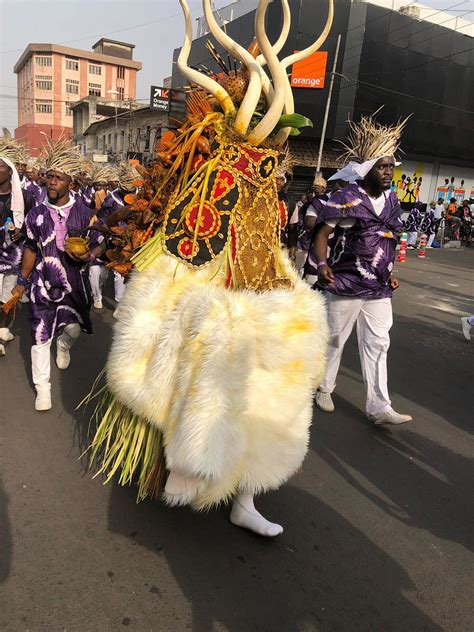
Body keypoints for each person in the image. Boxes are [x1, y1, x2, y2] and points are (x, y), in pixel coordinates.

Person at [86, 0, 332, 537]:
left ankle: (245, 495)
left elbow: (267, 234)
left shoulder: (265, 194)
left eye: (269, 171)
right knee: (201, 355)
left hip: (262, 281)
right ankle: (180, 465)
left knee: (277, 378)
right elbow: (182, 246)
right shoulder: (209, 190)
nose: (261, 177)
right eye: (252, 167)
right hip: (201, 278)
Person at [312, 114, 412, 426]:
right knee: (335, 339)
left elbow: (391, 238)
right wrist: (323, 264)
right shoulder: (348, 197)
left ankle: (379, 406)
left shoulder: (393, 200)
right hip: (346, 281)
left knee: (379, 342)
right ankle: (324, 387)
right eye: (382, 167)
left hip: (379, 287)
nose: (388, 173)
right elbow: (321, 233)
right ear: (367, 169)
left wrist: (392, 271)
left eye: (391, 168)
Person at [11, 138, 104, 411]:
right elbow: (30, 248)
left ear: (70, 184)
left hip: (74, 284)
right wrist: (22, 281)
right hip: (41, 283)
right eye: (49, 177)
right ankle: (43, 389)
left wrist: (91, 254)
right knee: (40, 335)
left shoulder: (86, 214)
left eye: (58, 178)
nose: (51, 182)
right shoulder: (36, 215)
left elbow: (102, 241)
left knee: (73, 328)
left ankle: (63, 345)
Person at [89, 164, 137, 309]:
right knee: (99, 272)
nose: (129, 192)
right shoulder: (111, 199)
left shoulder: (138, 196)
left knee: (121, 273)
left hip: (128, 241)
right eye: (126, 190)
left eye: (131, 190)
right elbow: (102, 219)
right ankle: (97, 295)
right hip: (110, 239)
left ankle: (120, 303)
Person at [302, 173, 329, 285]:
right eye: (314, 186)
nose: (316, 188)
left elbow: (310, 224)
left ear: (324, 188)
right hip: (315, 243)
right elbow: (308, 224)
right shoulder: (314, 202)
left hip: (325, 245)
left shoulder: (321, 202)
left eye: (318, 186)